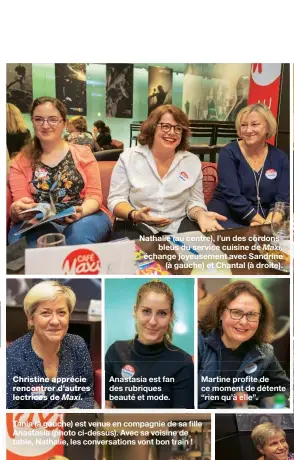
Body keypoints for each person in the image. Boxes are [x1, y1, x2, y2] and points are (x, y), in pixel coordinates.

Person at [108, 104, 226, 240]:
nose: (172, 132)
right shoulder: (129, 157)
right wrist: (134, 214)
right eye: (165, 126)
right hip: (136, 222)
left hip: (178, 223)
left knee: (198, 258)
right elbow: (116, 199)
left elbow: (195, 201)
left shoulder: (192, 161)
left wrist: (200, 214)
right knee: (134, 259)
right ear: (152, 127)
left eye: (178, 128)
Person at [8, 96, 112, 247]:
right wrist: (17, 210)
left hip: (86, 215)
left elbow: (94, 196)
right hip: (38, 222)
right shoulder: (20, 161)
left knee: (78, 238)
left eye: (52, 119)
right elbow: (22, 201)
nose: (45, 125)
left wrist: (81, 211)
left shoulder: (83, 153)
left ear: (64, 122)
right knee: (40, 245)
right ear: (32, 122)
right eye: (38, 119)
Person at [198, 280, 290, 409]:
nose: (244, 321)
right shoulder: (199, 343)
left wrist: (264, 401)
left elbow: (284, 388)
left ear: (260, 319)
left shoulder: (264, 352)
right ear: (220, 313)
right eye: (236, 312)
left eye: (252, 314)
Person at [105, 280, 194, 409]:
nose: (153, 321)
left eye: (162, 313)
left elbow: (181, 419)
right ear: (135, 311)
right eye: (146, 311)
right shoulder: (116, 351)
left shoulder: (182, 362)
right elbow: (105, 405)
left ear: (171, 316)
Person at [7, 280, 94, 409]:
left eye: (61, 313)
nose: (55, 321)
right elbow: (9, 414)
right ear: (30, 318)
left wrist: (72, 415)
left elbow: (86, 395)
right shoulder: (12, 357)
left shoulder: (77, 345)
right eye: (45, 313)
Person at [208, 103, 289, 228]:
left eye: (254, 124)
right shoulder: (228, 153)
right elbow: (232, 195)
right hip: (228, 215)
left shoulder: (281, 157)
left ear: (268, 127)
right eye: (243, 125)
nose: (248, 130)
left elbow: (281, 198)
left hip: (266, 217)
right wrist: (260, 224)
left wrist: (270, 223)